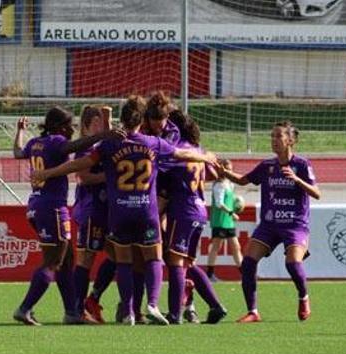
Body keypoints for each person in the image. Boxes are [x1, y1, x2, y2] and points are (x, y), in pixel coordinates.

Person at [34, 95, 217, 325]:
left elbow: (78, 165)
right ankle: (152, 303)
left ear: (121, 121)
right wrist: (205, 156)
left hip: (118, 212)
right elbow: (182, 154)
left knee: (122, 261)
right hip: (145, 211)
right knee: (153, 257)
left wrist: (48, 173)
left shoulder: (108, 144)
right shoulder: (153, 143)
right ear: (142, 120)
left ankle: (128, 311)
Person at [12, 106, 116, 326]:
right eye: (69, 125)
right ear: (60, 126)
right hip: (52, 208)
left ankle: (72, 312)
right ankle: (25, 308)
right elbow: (76, 145)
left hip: (36, 206)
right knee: (53, 262)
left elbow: (18, 152)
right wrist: (101, 136)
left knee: (67, 260)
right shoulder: (57, 141)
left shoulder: (35, 143)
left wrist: (20, 131)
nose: (72, 129)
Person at [216, 121, 320, 323]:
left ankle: (303, 297)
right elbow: (244, 180)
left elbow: (317, 193)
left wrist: (297, 180)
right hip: (270, 225)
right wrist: (224, 172)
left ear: (290, 140)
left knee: (292, 262)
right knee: (248, 263)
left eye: (278, 136)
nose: (273, 140)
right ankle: (253, 312)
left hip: (295, 224)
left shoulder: (301, 165)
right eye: (272, 136)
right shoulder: (267, 166)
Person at [159, 109, 228, 324]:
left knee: (175, 261)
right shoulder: (198, 150)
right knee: (188, 262)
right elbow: (216, 174)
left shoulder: (176, 151)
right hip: (199, 210)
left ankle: (174, 314)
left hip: (183, 210)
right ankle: (216, 306)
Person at [71, 105, 114, 324]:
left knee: (117, 256)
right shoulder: (85, 148)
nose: (101, 125)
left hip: (106, 211)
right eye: (97, 122)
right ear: (87, 124)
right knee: (86, 259)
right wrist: (109, 177)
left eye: (101, 121)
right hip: (91, 210)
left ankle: (92, 299)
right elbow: (84, 176)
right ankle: (77, 310)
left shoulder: (100, 145)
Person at [205, 158, 243, 281]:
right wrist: (232, 213)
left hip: (228, 221)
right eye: (228, 170)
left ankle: (244, 274)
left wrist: (237, 202)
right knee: (216, 246)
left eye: (231, 170)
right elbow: (219, 203)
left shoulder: (229, 184)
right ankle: (209, 274)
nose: (230, 172)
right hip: (220, 220)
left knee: (236, 246)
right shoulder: (219, 185)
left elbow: (229, 199)